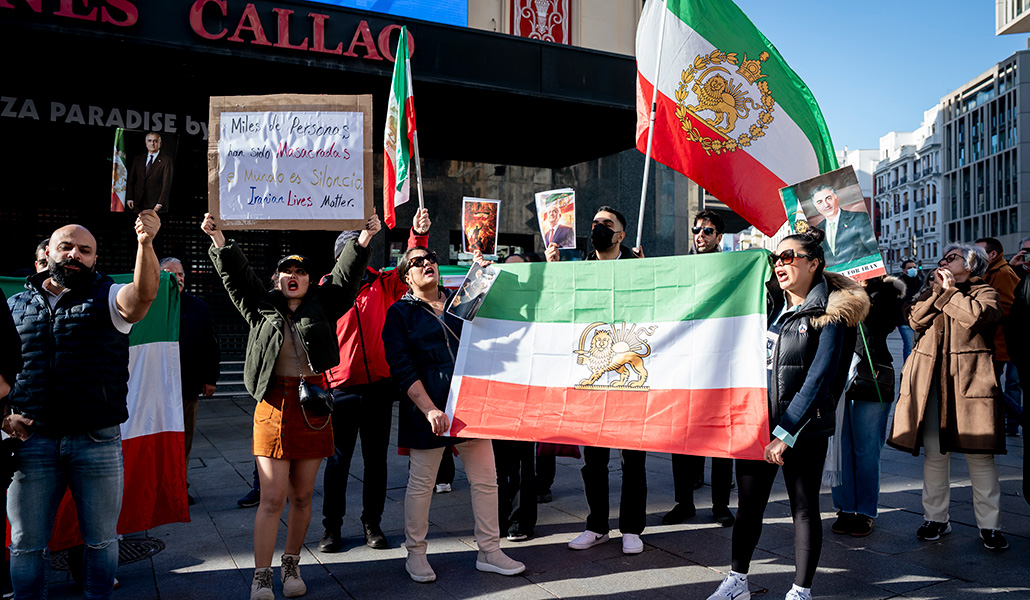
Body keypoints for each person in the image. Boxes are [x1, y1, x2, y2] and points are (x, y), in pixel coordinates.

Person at [202, 211, 377, 600]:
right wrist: (219, 238)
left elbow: (347, 278)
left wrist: (363, 239)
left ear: (310, 280)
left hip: (313, 407)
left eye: (299, 271)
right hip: (272, 406)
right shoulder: (259, 307)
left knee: (301, 496)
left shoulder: (324, 304)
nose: (292, 276)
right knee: (272, 497)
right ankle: (261, 575)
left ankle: (291, 564)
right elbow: (236, 276)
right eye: (285, 272)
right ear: (277, 280)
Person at [4, 211, 163, 600]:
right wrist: (3, 416)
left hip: (97, 442)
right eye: (67, 247)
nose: (75, 254)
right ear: (49, 253)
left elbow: (143, 295)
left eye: (85, 250)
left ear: (95, 259)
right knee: (25, 544)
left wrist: (145, 243)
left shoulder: (109, 296)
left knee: (100, 542)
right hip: (32, 444)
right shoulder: (15, 306)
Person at [708, 228, 867, 600]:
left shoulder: (832, 313)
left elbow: (819, 379)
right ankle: (737, 581)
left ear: (814, 264)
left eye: (789, 257)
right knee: (748, 508)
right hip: (756, 423)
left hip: (802, 427)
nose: (780, 264)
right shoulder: (767, 305)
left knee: (803, 508)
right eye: (775, 258)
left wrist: (787, 432)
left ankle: (800, 591)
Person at [382, 246, 525, 583]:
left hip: (470, 403)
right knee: (422, 485)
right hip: (428, 408)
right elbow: (402, 368)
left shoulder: (459, 300)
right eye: (417, 262)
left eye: (430, 258)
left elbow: (498, 313)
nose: (427, 263)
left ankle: (490, 550)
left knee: (486, 481)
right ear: (406, 276)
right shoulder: (399, 314)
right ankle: (415, 554)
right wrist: (429, 408)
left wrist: (482, 272)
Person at [317, 208, 431, 554]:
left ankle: (372, 523)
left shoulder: (383, 283)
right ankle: (331, 528)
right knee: (337, 462)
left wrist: (418, 234)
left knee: (376, 460)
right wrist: (324, 383)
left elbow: (410, 268)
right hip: (342, 388)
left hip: (380, 387)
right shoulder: (326, 289)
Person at [887, 244, 1008, 552]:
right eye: (943, 257)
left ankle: (990, 526)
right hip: (931, 387)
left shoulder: (985, 292)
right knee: (935, 457)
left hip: (970, 388)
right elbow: (914, 320)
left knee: (980, 458)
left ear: (971, 265)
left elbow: (979, 318)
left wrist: (950, 293)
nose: (943, 261)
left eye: (951, 258)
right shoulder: (931, 291)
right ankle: (935, 518)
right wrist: (938, 293)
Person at [548, 206, 649, 555]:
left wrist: (648, 276)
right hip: (592, 374)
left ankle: (632, 527)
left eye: (606, 224)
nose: (597, 229)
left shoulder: (639, 269)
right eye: (593, 224)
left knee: (633, 458)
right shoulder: (579, 269)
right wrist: (553, 272)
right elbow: (559, 307)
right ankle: (597, 525)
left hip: (626, 377)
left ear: (621, 235)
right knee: (594, 459)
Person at [667, 210, 734, 527]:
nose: (700, 236)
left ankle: (721, 505)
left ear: (719, 236)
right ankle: (684, 503)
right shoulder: (682, 268)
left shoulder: (734, 268)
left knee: (721, 439)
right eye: (696, 230)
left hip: (722, 362)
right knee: (682, 438)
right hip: (687, 364)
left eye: (708, 231)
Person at [829, 274, 903, 537]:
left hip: (871, 379)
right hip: (838, 377)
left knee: (867, 448)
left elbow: (879, 326)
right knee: (841, 448)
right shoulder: (833, 290)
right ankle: (845, 508)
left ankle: (866, 512)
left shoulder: (887, 293)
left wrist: (860, 294)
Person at [160, 257, 220, 506]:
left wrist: (209, 378)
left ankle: (178, 488)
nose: (179, 278)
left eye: (182, 274)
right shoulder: (148, 306)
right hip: (156, 388)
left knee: (183, 441)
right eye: (171, 274)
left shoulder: (197, 306)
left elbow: (210, 344)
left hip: (187, 386)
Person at [492, 252, 539, 541]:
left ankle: (521, 522)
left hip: (527, 392)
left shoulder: (536, 306)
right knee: (498, 464)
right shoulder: (490, 305)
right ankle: (497, 518)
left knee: (524, 463)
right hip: (496, 392)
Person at [975, 237, 1022, 436]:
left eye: (979, 251)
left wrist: (982, 311)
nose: (974, 255)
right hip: (994, 339)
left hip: (1001, 340)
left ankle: (1013, 421)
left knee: (991, 385)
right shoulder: (991, 270)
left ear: (992, 254)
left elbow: (1011, 306)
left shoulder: (1002, 272)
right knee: (991, 385)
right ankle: (1004, 424)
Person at [810, 185, 878, 266]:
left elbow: (875, 251)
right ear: (816, 207)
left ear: (836, 198)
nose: (826, 204)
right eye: (819, 202)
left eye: (828, 198)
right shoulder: (817, 231)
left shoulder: (859, 218)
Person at [127, 132, 173, 212]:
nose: (152, 143)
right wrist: (129, 197)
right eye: (149, 141)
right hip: (137, 203)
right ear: (146, 143)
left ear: (160, 143)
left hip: (155, 205)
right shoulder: (138, 159)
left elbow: (166, 184)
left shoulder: (166, 161)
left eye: (155, 141)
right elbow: (132, 180)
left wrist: (160, 203)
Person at [897, 259, 922, 363]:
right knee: (909, 346)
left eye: (914, 267)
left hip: (918, 319)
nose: (913, 269)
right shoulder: (899, 283)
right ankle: (907, 371)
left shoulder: (920, 281)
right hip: (904, 321)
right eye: (909, 268)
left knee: (918, 347)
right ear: (904, 270)